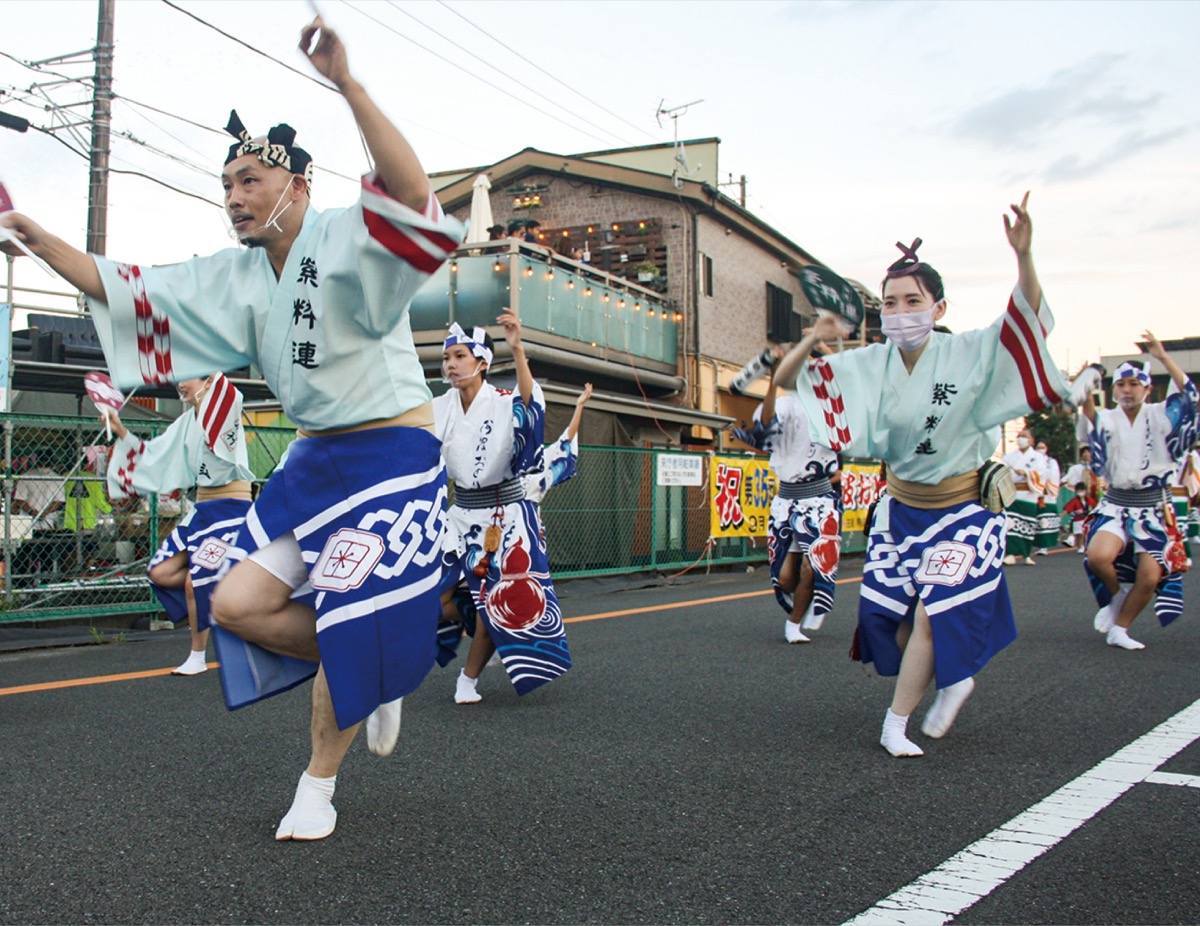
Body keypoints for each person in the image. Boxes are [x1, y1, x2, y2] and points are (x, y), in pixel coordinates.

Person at [1, 16, 466, 841]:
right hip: (315, 460)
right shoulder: (238, 274)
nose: (234, 199)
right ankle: (378, 657)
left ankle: (317, 785)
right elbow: (131, 288)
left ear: (295, 183)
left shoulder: (346, 237)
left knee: (349, 613)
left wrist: (348, 85)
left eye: (249, 180)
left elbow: (416, 200)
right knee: (235, 603)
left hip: (393, 452)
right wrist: (34, 237)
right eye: (227, 186)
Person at [775, 193, 1068, 758]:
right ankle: (953, 676)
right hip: (901, 511)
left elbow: (1025, 318)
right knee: (888, 623)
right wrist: (815, 335)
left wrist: (1024, 258)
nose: (901, 311)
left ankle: (896, 723)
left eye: (913, 300)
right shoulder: (868, 363)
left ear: (937, 307)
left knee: (936, 615)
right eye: (890, 302)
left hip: (963, 511)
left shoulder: (969, 354)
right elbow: (793, 378)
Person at [433, 314, 571, 706]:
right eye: (447, 358)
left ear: (482, 362)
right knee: (435, 597)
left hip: (505, 516)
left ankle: (468, 678)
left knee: (496, 603)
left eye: (460, 355)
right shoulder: (440, 406)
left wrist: (518, 349)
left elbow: (531, 406)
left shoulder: (503, 401)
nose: (451, 364)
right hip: (460, 515)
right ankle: (487, 625)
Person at [102, 374, 254, 676]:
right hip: (201, 511)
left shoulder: (226, 404)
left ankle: (197, 655)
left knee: (193, 581)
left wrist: (209, 374)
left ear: (209, 380)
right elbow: (154, 454)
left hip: (231, 509)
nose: (180, 385)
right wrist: (120, 430)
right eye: (179, 380)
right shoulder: (186, 422)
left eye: (188, 379)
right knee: (160, 572)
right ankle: (224, 590)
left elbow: (226, 397)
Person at [1080, 344, 1198, 650]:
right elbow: (1090, 417)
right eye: (1121, 384)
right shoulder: (1109, 417)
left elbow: (1189, 397)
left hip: (1155, 507)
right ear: (1114, 389)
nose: (1127, 390)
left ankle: (1121, 628)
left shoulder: (1162, 415)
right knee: (1098, 557)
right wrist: (1084, 387)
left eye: (1134, 384)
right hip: (1117, 503)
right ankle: (1116, 595)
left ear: (1147, 387)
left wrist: (1163, 358)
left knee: (1149, 575)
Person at [734, 348, 841, 644]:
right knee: (785, 578)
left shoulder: (832, 404)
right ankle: (811, 595)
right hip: (786, 500)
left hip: (819, 499)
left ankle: (794, 623)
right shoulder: (784, 404)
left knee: (812, 564)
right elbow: (765, 425)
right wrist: (772, 381)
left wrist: (826, 350)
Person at [1001, 427, 1045, 565]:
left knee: (1028, 524)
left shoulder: (1038, 458)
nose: (1021, 438)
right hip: (1014, 494)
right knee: (1012, 523)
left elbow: (1042, 473)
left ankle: (1026, 554)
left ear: (1031, 440)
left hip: (1029, 494)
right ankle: (1011, 554)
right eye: (1019, 435)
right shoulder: (1009, 457)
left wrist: (1026, 473)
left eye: (1025, 436)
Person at [1033, 438, 1061, 555]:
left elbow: (1054, 475)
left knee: (1044, 520)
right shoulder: (1032, 460)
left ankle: (1043, 547)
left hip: (1046, 494)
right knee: (1033, 520)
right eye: (1038, 447)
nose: (1040, 450)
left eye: (1042, 447)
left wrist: (1043, 474)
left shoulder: (1051, 462)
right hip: (1033, 493)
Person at [1061, 481, 1094, 554]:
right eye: (1079, 490)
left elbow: (1095, 507)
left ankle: (1086, 546)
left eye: (1082, 490)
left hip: (1087, 520)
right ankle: (1080, 547)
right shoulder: (1074, 501)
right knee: (1078, 534)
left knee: (1086, 534)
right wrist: (1061, 516)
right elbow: (1068, 509)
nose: (1081, 492)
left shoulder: (1089, 500)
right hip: (1077, 520)